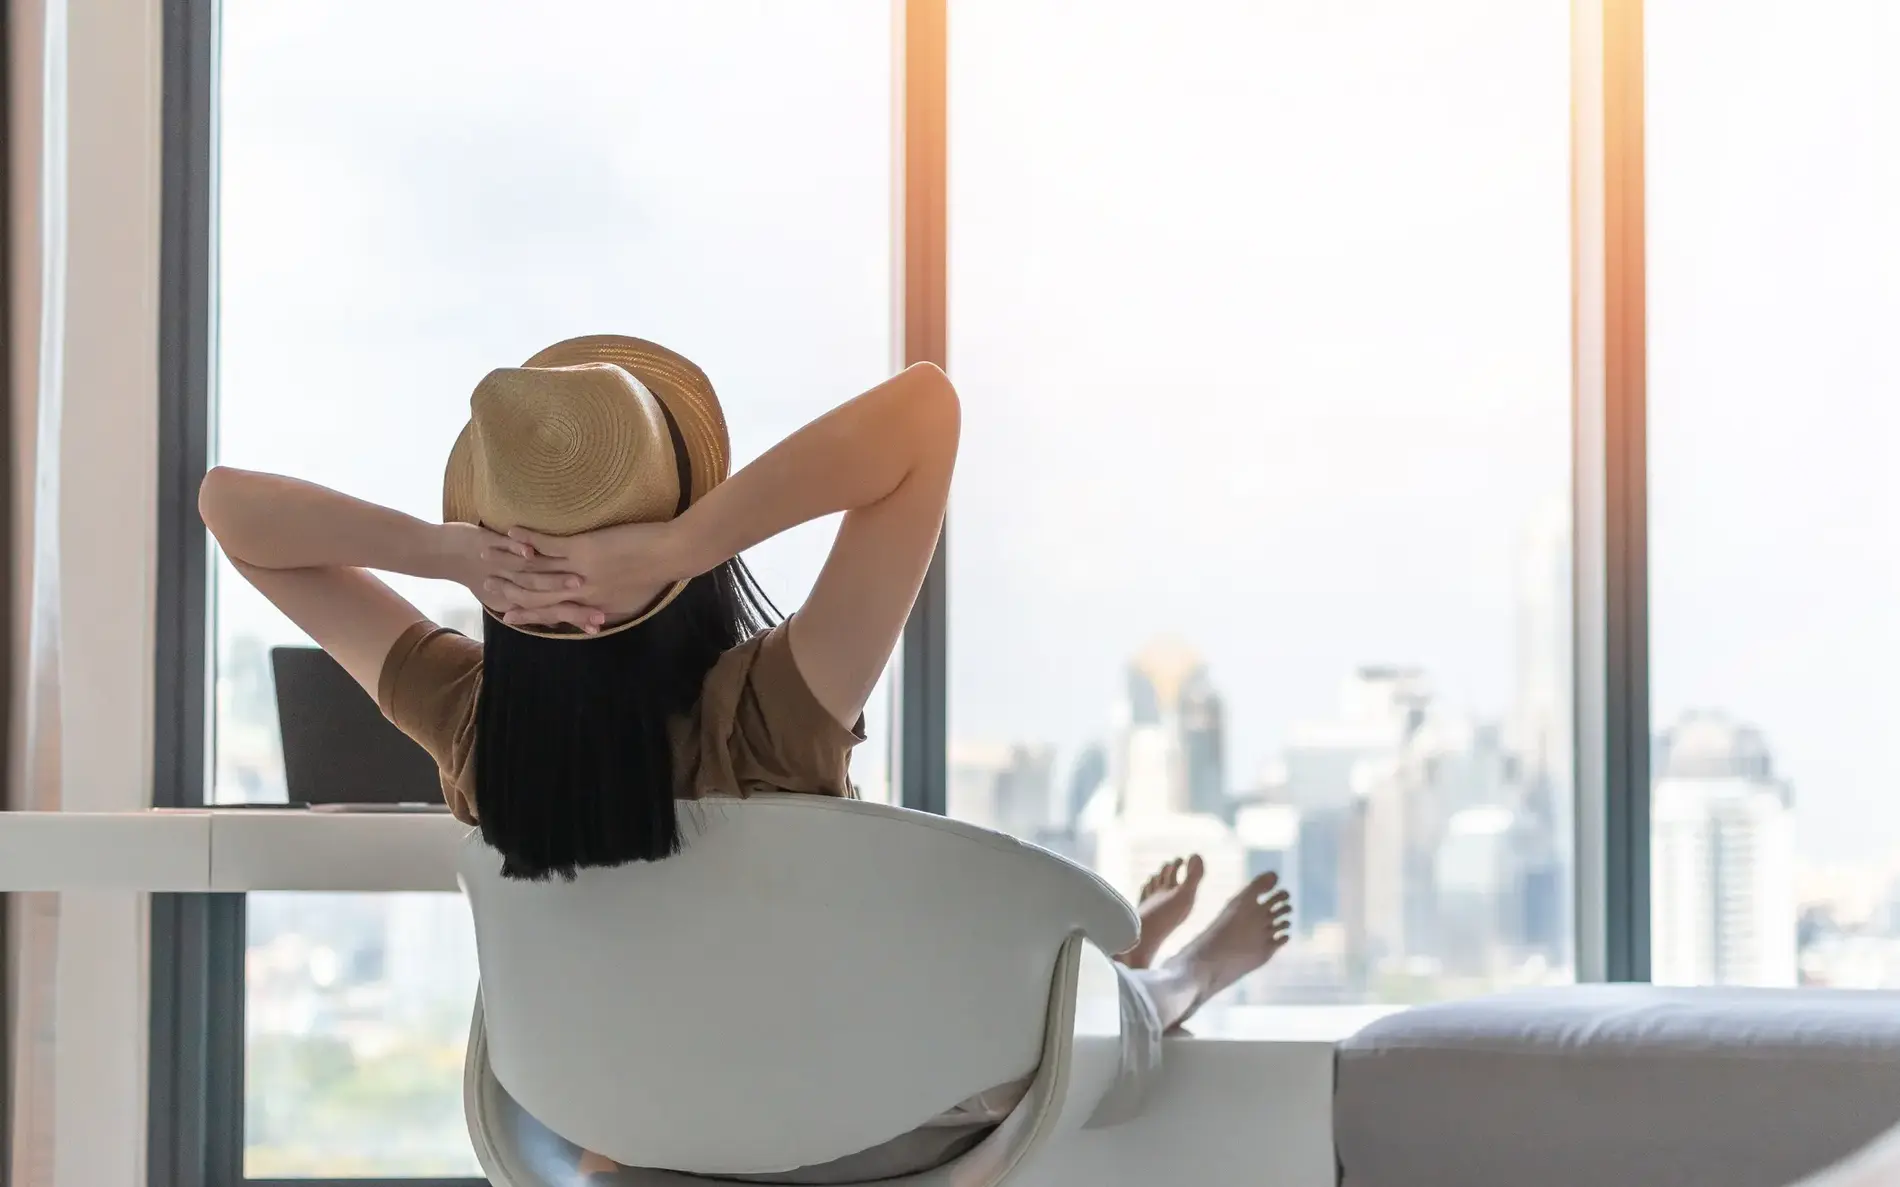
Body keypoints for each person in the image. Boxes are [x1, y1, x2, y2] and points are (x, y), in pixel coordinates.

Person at [198, 334, 1294, 1183]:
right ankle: (1178, 974)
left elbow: (230, 510)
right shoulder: (770, 710)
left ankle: (1125, 959)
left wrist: (447, 555)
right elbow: (926, 413)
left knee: (1064, 976)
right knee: (1091, 1007)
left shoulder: (473, 724)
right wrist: (678, 547)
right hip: (864, 1126)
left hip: (624, 1137)